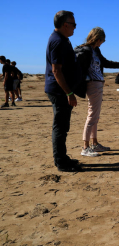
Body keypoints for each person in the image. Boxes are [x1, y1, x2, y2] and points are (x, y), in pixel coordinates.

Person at [74, 27, 119, 157]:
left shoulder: (95, 50)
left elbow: (105, 62)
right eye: (102, 40)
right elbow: (77, 70)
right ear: (97, 38)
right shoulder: (85, 51)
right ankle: (85, 147)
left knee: (95, 116)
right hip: (93, 85)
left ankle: (94, 143)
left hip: (98, 84)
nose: (102, 43)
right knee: (92, 115)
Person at [45, 10, 80, 172]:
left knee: (63, 126)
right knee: (60, 126)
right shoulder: (57, 41)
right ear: (65, 24)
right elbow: (56, 70)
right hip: (59, 91)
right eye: (73, 24)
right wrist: (69, 93)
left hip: (62, 90)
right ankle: (60, 162)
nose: (75, 27)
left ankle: (63, 157)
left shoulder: (63, 40)